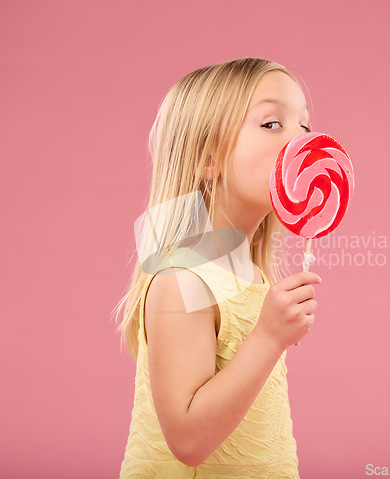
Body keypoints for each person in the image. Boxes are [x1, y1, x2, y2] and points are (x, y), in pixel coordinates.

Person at [114, 57, 322, 478]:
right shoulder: (181, 280)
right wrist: (268, 337)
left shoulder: (250, 271)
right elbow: (189, 440)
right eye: (271, 124)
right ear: (209, 159)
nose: (301, 141)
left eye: (303, 125)